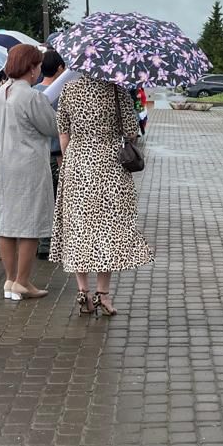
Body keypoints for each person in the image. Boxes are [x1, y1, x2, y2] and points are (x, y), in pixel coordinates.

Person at [51, 74, 154, 316]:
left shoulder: (69, 89)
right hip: (109, 166)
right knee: (107, 228)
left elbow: (63, 133)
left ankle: (82, 291)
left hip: (76, 163)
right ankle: (103, 295)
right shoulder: (117, 91)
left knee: (79, 228)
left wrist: (72, 159)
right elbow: (131, 132)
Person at [0, 44, 57, 300]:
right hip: (28, 164)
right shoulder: (32, 96)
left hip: (3, 163)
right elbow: (52, 126)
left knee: (5, 222)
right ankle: (23, 281)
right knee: (29, 223)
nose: (39, 70)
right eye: (38, 65)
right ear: (31, 68)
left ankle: (9, 279)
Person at [36, 50, 78, 260]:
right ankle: (50, 242)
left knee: (41, 200)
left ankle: (39, 240)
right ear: (61, 69)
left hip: (38, 153)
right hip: (58, 154)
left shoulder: (34, 92)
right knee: (57, 200)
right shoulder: (65, 93)